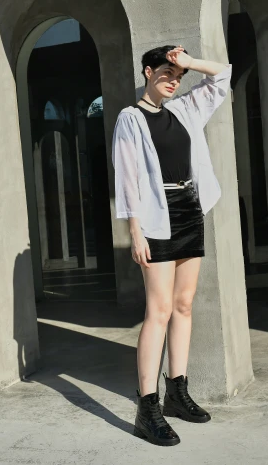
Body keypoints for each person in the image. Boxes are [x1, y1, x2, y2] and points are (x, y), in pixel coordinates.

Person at [112, 46, 232, 446]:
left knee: (184, 304)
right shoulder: (131, 118)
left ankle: (176, 393)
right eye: (166, 71)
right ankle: (147, 408)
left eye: (177, 75)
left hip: (189, 210)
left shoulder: (184, 110)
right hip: (156, 217)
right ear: (148, 72)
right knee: (158, 311)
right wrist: (135, 231)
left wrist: (189, 62)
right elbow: (127, 176)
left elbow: (221, 76)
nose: (173, 79)